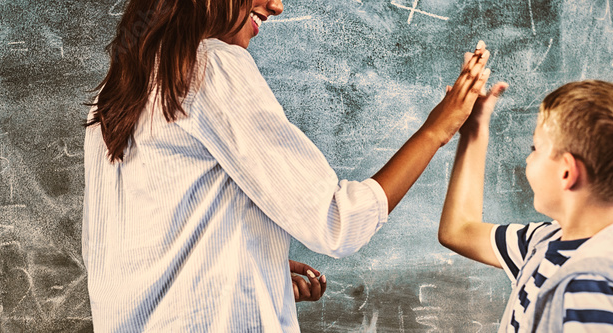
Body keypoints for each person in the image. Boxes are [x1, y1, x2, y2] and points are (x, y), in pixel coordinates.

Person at [82, 0, 495, 330]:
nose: (277, 6)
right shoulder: (213, 68)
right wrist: (437, 129)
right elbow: (338, 222)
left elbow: (139, 256)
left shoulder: (115, 94)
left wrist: (259, 269)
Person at [438, 79, 613, 332]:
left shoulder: (591, 291)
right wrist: (475, 130)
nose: (528, 157)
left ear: (566, 172)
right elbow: (458, 231)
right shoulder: (544, 242)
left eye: (535, 148)